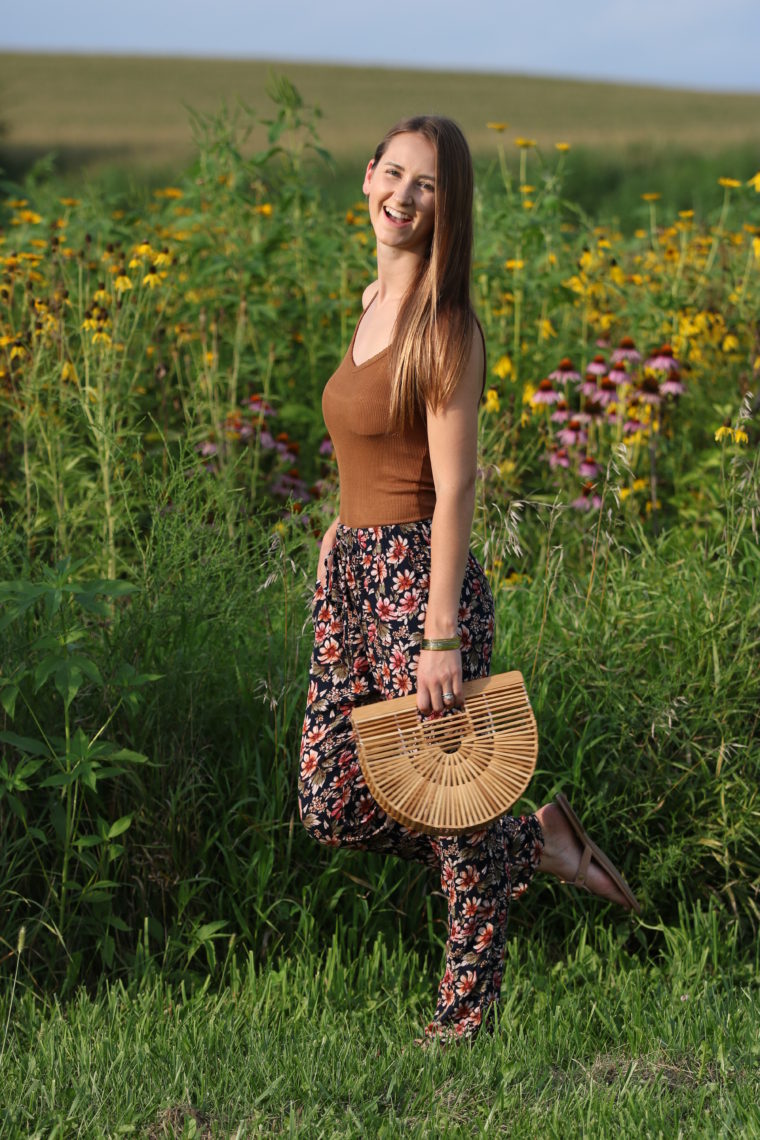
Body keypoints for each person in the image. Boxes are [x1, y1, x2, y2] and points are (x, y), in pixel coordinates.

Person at [298, 116, 639, 1045]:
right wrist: (339, 526)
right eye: (394, 175)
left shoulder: (447, 327)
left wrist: (440, 628)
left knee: (452, 815)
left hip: (420, 584)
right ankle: (537, 843)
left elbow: (455, 485)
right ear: (367, 176)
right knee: (330, 797)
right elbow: (373, 442)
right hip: (354, 580)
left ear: (451, 209)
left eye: (428, 187)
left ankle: (464, 1021)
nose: (403, 198)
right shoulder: (370, 299)